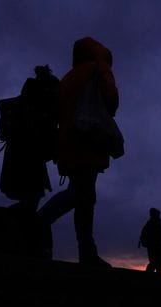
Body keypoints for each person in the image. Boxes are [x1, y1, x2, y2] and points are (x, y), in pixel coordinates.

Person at [36, 37, 119, 268]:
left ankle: (87, 252)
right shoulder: (98, 69)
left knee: (83, 196)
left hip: (69, 141)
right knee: (82, 196)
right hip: (89, 140)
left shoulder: (69, 77)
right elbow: (112, 101)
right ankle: (38, 223)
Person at [0, 65, 59, 258]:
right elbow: (42, 135)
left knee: (30, 201)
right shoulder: (38, 103)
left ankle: (18, 239)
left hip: (20, 156)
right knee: (31, 201)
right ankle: (24, 242)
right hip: (28, 157)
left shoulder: (28, 98)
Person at [139, 208, 161, 274]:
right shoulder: (152, 223)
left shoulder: (154, 223)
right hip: (153, 246)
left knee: (157, 263)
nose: (159, 215)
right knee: (155, 262)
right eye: (158, 214)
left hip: (156, 246)